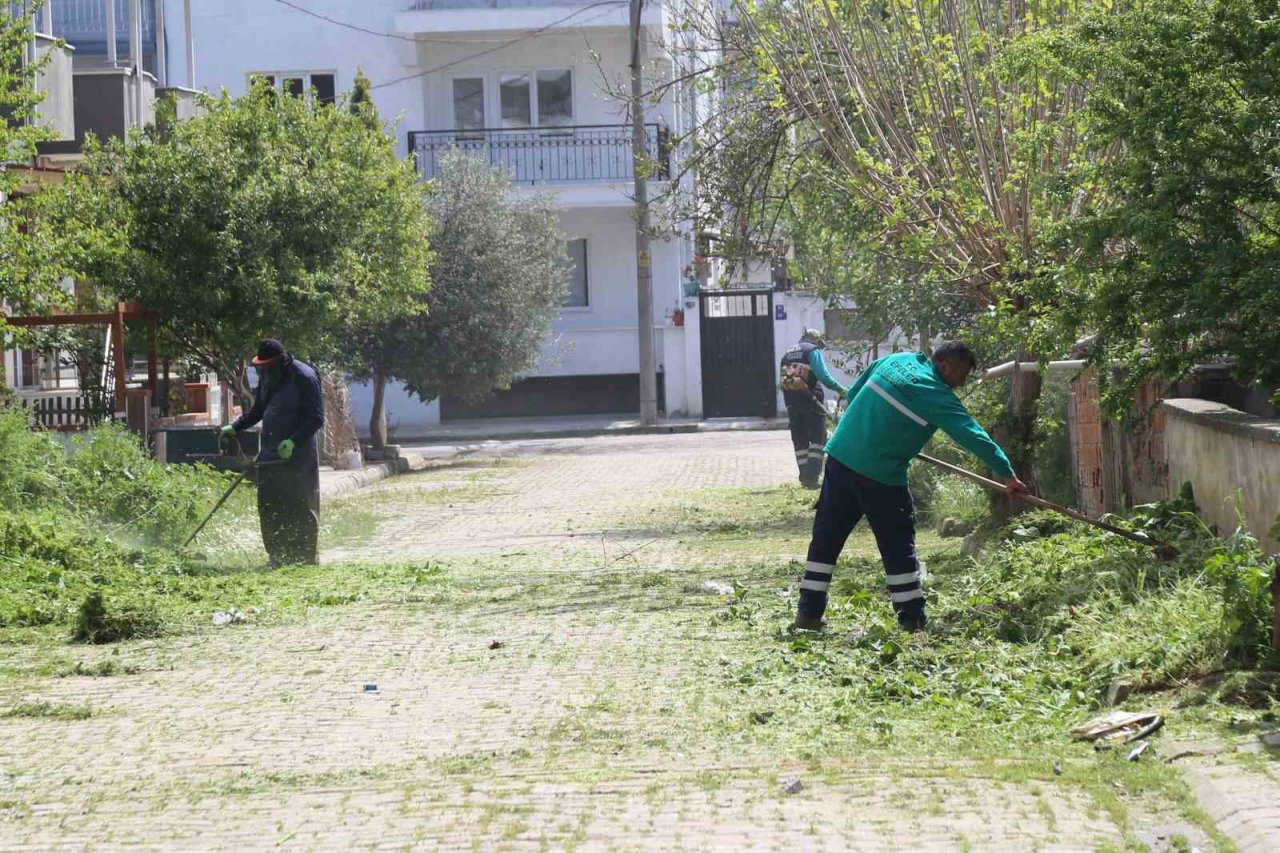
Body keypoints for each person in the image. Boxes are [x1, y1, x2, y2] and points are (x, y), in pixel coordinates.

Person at [792, 341, 1028, 632]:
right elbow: (972, 434)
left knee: (826, 539)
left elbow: (854, 394)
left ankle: (808, 615)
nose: (963, 382)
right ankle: (912, 619)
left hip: (840, 457)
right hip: (880, 475)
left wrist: (874, 426)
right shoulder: (937, 395)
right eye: (963, 374)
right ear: (945, 365)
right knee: (897, 545)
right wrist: (1007, 475)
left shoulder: (896, 361)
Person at [221, 339, 324, 567]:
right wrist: (235, 426)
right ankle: (277, 556)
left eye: (267, 365)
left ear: (281, 361)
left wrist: (293, 441)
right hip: (269, 453)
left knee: (300, 506)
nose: (263, 369)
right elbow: (259, 409)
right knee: (270, 505)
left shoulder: (304, 377)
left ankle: (304, 557)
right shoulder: (268, 376)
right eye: (261, 366)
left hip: (299, 456)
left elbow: (316, 417)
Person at [779, 329, 848, 488]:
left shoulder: (787, 354)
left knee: (800, 440)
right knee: (819, 439)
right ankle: (812, 478)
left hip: (792, 402)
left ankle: (804, 477)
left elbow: (784, 382)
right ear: (814, 340)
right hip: (811, 401)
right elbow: (824, 376)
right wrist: (841, 390)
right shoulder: (812, 351)